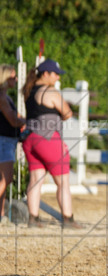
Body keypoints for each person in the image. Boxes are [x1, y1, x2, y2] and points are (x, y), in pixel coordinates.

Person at [22, 59, 80, 229]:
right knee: (63, 182)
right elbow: (67, 113)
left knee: (35, 180)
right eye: (55, 74)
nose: (57, 78)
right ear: (46, 74)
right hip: (47, 138)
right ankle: (68, 219)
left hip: (29, 139)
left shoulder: (28, 90)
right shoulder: (50, 91)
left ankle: (33, 219)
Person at [0, 64, 25, 224]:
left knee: (3, 180)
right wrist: (28, 121)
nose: (16, 80)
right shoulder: (2, 98)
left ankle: (1, 214)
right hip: (3, 141)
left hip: (7, 140)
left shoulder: (5, 97)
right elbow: (13, 120)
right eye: (13, 77)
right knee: (6, 179)